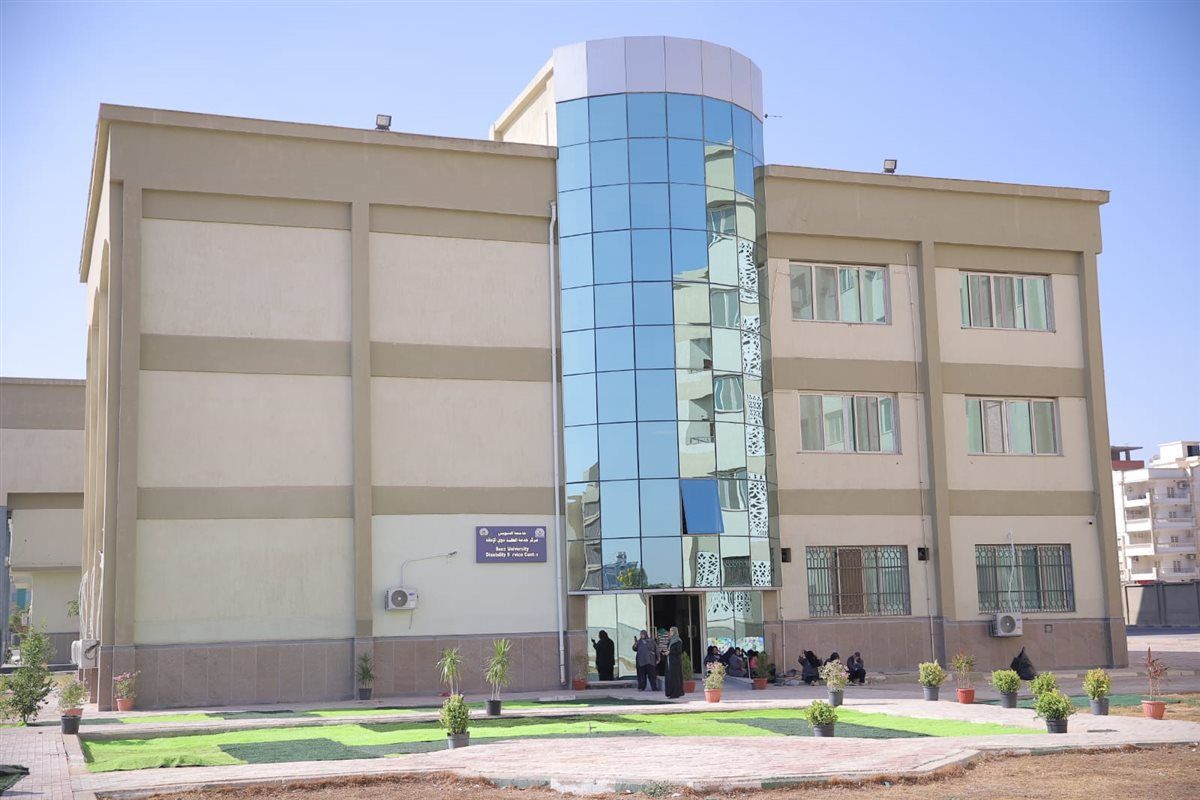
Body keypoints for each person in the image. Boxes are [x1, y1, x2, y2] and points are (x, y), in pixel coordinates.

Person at [664, 626, 685, 699]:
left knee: (675, 678)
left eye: (671, 631)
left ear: (675, 631)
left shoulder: (678, 640)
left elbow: (679, 651)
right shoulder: (670, 640)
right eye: (670, 631)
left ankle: (675, 694)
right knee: (669, 677)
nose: (670, 632)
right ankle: (669, 693)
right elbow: (669, 650)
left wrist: (670, 652)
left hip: (675, 662)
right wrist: (666, 652)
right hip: (669, 661)